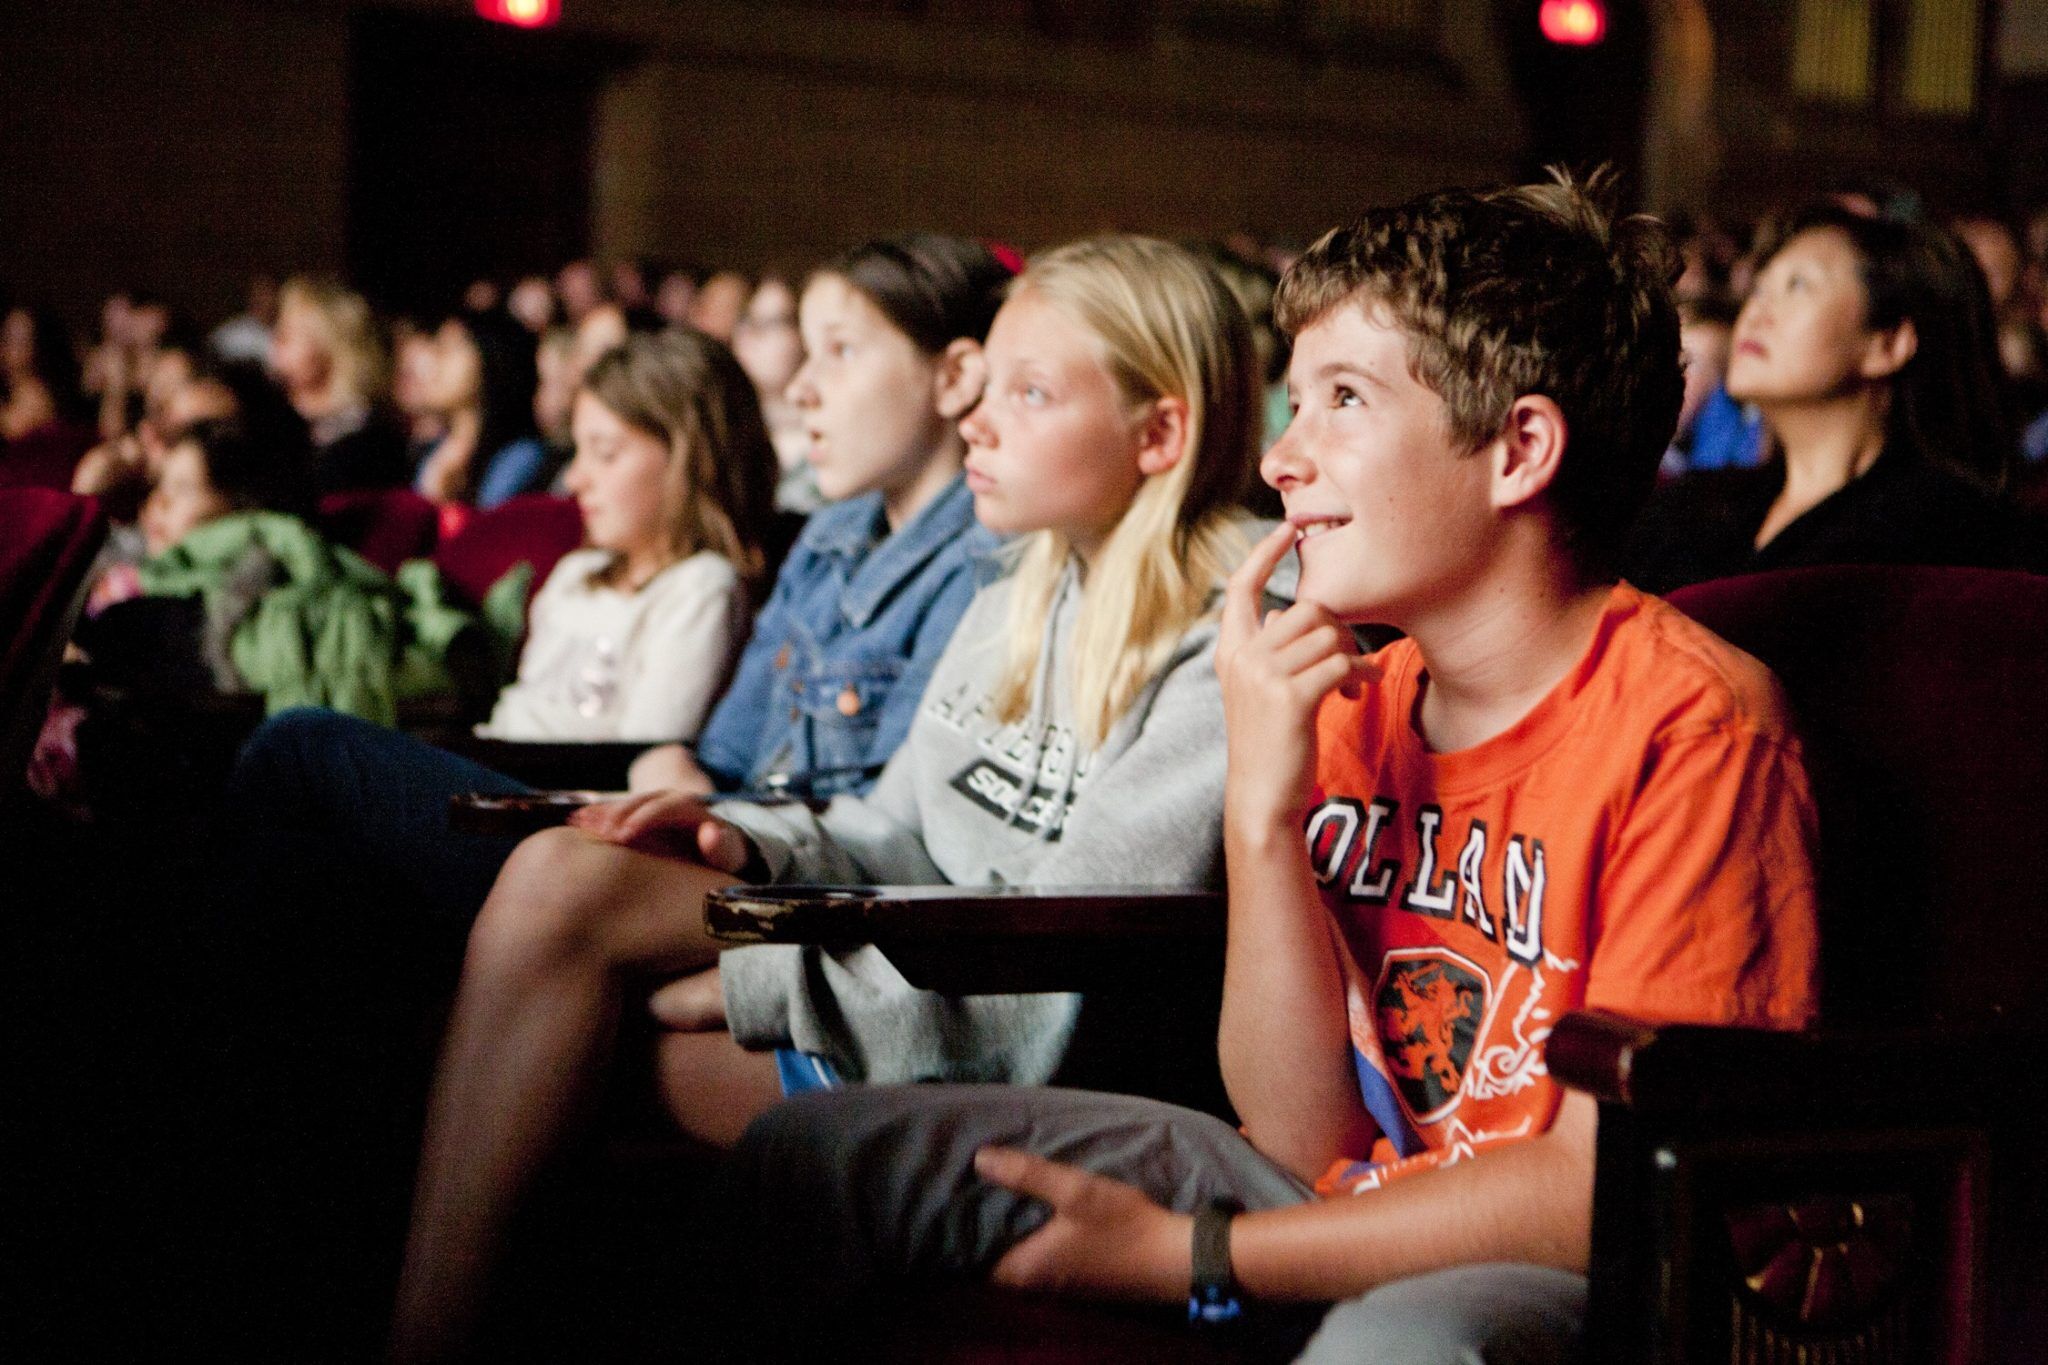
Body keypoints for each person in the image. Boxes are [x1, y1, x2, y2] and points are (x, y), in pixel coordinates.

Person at [729, 175, 1822, 1364]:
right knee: (817, 1154)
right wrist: (1260, 804)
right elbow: (1298, 1133)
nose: (1281, 461)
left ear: (1517, 449)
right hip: (1341, 1188)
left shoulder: (1692, 725)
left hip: (1575, 1257)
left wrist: (1197, 1256)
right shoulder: (1351, 702)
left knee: (1398, 1346)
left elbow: (1590, 1195)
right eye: (1292, 404)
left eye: (1341, 400)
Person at [388, 233, 1263, 1360]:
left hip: (1020, 1039)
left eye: (1029, 394)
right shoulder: (1027, 579)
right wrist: (741, 838)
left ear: (1160, 432)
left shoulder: (1232, 627)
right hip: (913, 968)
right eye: (984, 387)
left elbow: (1078, 961)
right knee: (558, 877)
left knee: (556, 1051)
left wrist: (762, 980)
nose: (978, 423)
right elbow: (898, 825)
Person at [1624, 205, 2036, 592]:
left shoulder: (1955, 534)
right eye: (1760, 288)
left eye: (1797, 285)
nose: (1757, 312)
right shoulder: (1689, 509)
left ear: (1888, 343)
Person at [270, 277, 410, 492]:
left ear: (329, 341)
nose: (274, 345)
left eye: (287, 336)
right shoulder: (276, 423)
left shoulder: (370, 438)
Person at [410, 309, 551, 509]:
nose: (431, 364)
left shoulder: (519, 458)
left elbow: (488, 532)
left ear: (489, 358)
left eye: (447, 349)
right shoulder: (434, 452)